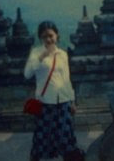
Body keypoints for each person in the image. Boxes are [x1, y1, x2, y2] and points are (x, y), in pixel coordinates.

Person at [24, 20, 84, 161]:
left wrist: (72, 101)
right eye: (44, 36)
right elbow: (27, 74)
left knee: (65, 135)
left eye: (51, 35)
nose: (48, 39)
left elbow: (66, 79)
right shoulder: (36, 53)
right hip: (45, 103)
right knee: (43, 135)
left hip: (63, 102)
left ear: (57, 35)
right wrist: (42, 56)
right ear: (40, 38)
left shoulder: (62, 54)